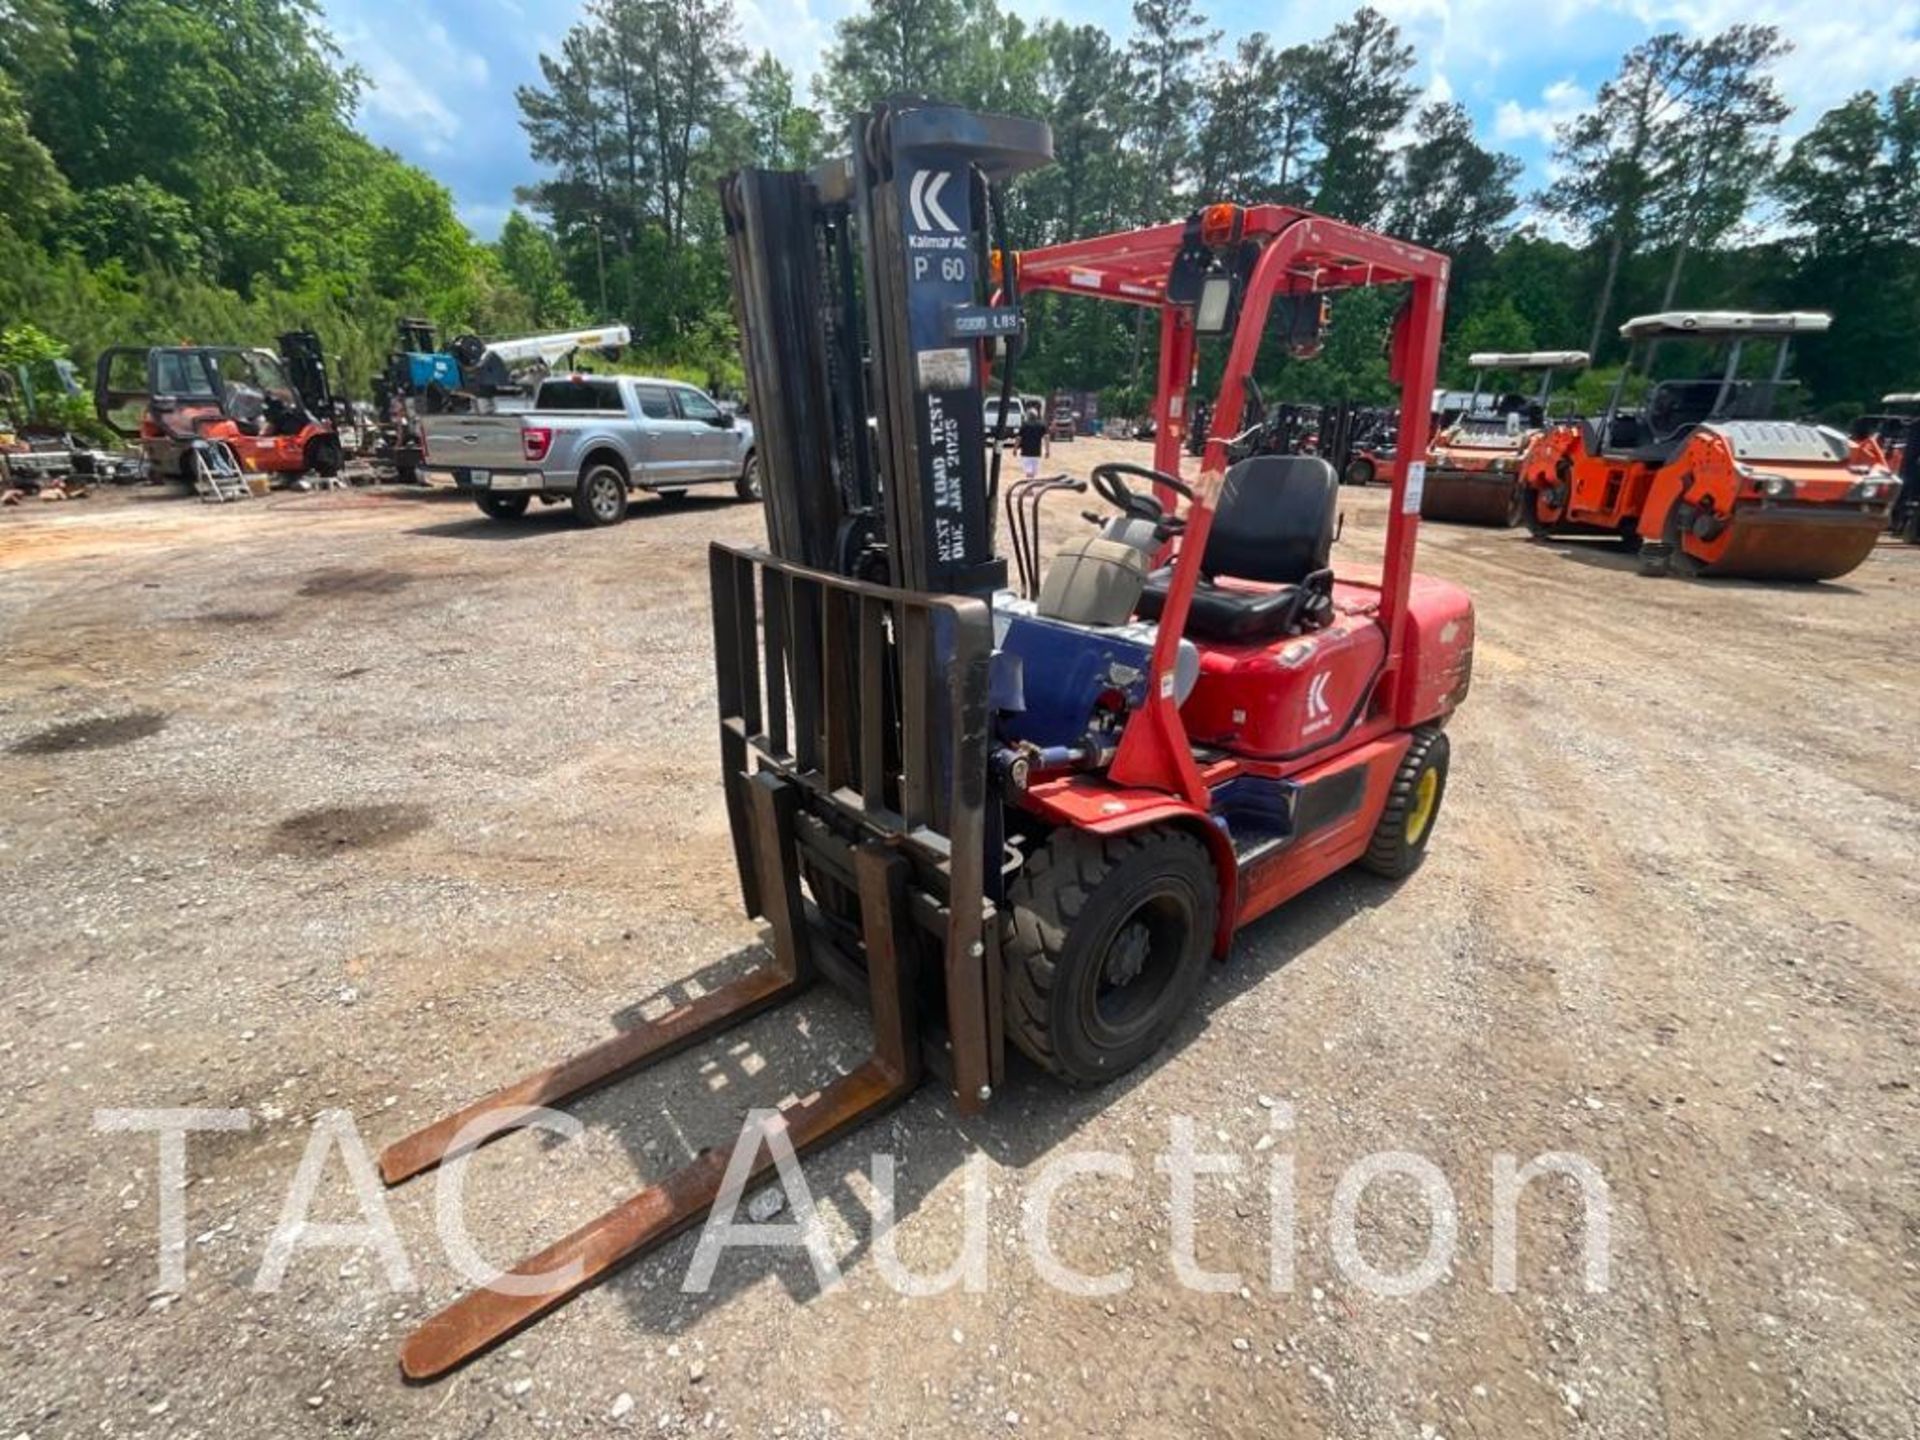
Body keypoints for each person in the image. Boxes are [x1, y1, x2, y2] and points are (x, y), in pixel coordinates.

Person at [1016, 402, 1049, 479]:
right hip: (1036, 452)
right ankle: (1030, 488)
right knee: (1032, 473)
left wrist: (1015, 448)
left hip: (1025, 452)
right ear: (1036, 416)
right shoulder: (1041, 425)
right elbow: (1046, 438)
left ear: (1028, 416)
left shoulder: (1024, 425)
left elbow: (1018, 438)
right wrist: (1047, 451)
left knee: (1028, 472)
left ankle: (1029, 488)